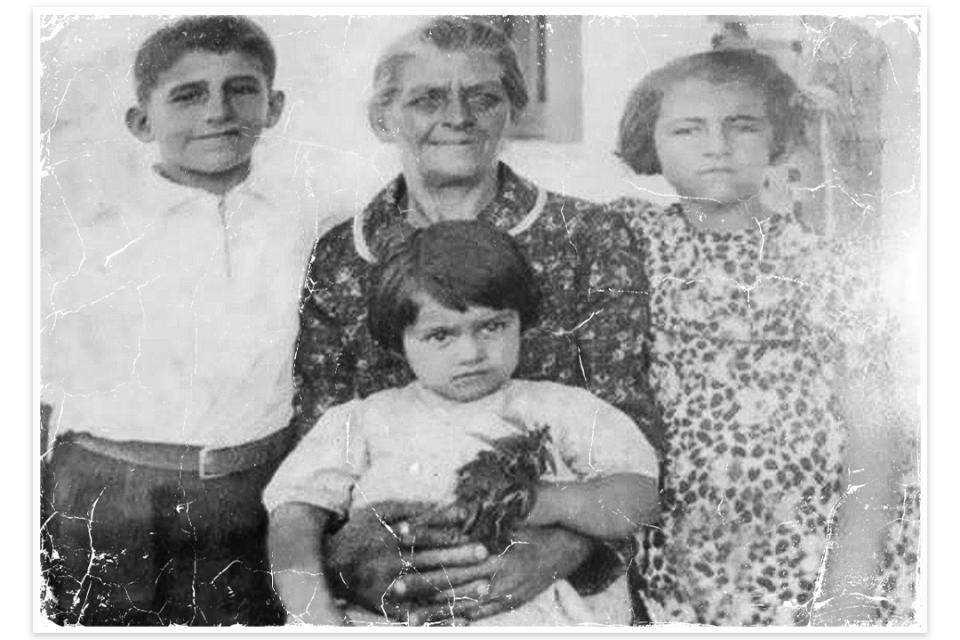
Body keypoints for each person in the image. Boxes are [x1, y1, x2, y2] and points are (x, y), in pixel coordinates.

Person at [292, 16, 660, 625]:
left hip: (551, 573)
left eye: (483, 97)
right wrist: (358, 568)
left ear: (511, 112)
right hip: (393, 577)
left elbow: (632, 434)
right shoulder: (343, 252)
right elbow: (317, 440)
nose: (458, 116)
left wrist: (555, 551)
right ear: (383, 118)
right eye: (428, 99)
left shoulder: (588, 237)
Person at [611, 48, 919, 626]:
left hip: (804, 553)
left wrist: (846, 589)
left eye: (742, 124)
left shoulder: (829, 266)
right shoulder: (627, 244)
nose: (717, 144)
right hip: (676, 558)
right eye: (687, 128)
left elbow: (876, 442)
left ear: (778, 138)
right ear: (649, 142)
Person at [40, 15, 318, 626]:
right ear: (141, 122)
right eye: (188, 95)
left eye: (240, 89)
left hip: (248, 489)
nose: (218, 111)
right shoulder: (91, 230)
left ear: (273, 106)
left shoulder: (300, 222)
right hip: (111, 491)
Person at [267, 220, 660, 626]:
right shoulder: (364, 420)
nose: (471, 352)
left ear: (520, 321)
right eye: (441, 336)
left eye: (492, 326)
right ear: (398, 340)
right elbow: (293, 519)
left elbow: (639, 493)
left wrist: (547, 502)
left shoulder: (558, 408)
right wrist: (319, 621)